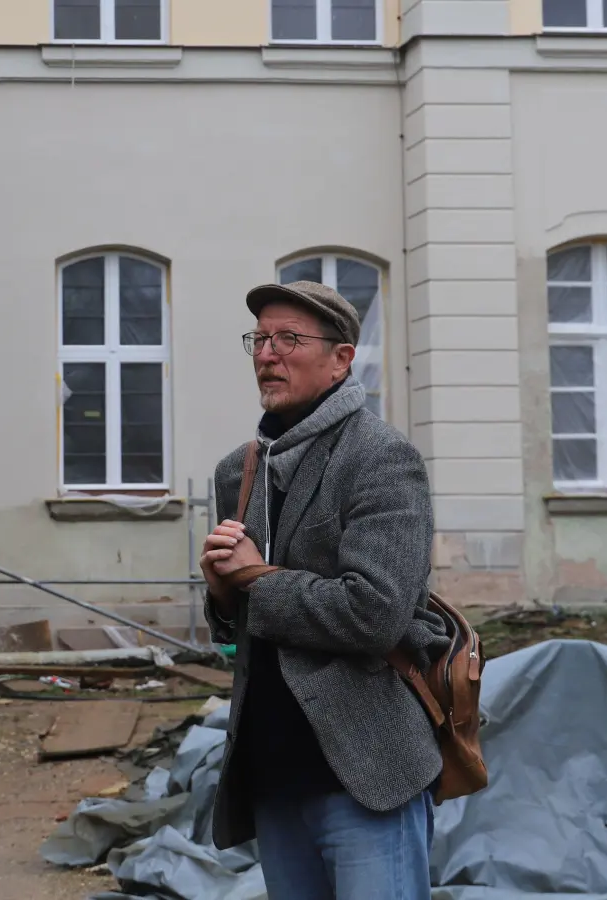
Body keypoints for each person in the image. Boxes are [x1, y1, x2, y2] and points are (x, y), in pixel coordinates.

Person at [198, 280, 451, 900]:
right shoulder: (239, 469)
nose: (267, 354)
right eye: (259, 339)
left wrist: (255, 578)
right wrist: (223, 595)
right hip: (274, 773)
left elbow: (376, 614)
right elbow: (239, 630)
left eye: (289, 338)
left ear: (341, 361)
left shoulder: (382, 458)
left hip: (364, 772)